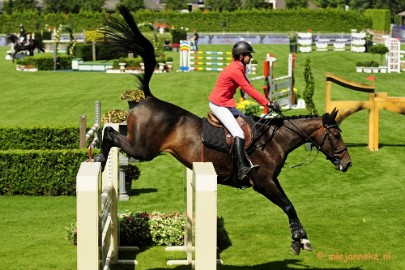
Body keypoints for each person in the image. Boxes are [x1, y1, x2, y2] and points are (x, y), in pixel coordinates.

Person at [208, 41, 280, 184]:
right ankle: (241, 168)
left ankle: (248, 157)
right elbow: (249, 90)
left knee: (246, 121)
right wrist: (268, 103)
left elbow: (249, 86)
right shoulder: (235, 70)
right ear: (241, 56)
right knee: (238, 133)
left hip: (226, 102)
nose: (250, 57)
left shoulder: (239, 67)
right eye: (248, 55)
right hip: (219, 104)